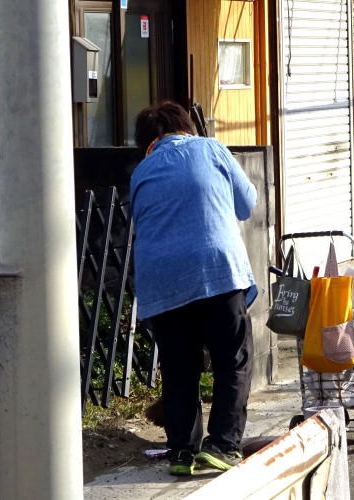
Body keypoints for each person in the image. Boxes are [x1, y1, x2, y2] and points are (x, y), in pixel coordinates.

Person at [130, 101, 257, 476]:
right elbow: (248, 204)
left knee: (178, 366)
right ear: (186, 128)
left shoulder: (140, 171)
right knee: (231, 359)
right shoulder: (212, 148)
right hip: (217, 271)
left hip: (162, 281)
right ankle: (221, 445)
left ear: (148, 142)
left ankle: (182, 452)